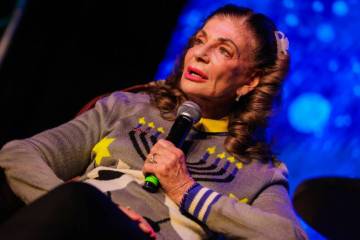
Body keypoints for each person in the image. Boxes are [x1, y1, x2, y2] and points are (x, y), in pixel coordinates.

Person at [0, 4, 308, 239]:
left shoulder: (259, 169)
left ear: (249, 82)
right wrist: (87, 210)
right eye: (200, 41)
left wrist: (186, 189)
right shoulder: (127, 107)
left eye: (223, 50)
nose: (200, 54)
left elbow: (287, 234)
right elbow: (18, 154)